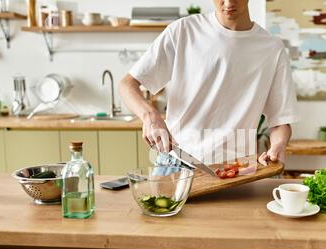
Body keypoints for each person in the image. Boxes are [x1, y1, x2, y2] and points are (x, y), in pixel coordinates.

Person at [119, 0, 299, 169]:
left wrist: (279, 145)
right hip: (177, 162)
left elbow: (280, 121)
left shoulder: (272, 49)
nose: (228, 3)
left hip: (236, 169)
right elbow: (128, 84)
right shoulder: (183, 31)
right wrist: (150, 116)